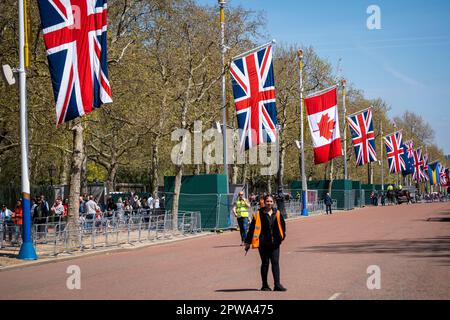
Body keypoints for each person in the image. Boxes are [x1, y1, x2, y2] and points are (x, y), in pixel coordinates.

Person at [244, 195, 287, 292]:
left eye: (271, 201)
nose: (269, 203)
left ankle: (277, 284)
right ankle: (265, 285)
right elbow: (252, 229)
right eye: (267, 201)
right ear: (264, 202)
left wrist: (282, 237)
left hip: (275, 242)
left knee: (275, 263)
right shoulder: (259, 214)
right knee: (265, 263)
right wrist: (247, 242)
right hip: (263, 243)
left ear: (273, 202)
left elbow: (283, 226)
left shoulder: (278, 213)